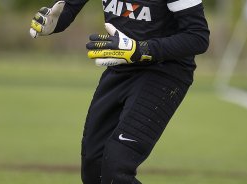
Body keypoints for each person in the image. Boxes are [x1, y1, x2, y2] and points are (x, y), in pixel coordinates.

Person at [30, 0, 210, 183]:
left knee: (116, 167)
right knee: (94, 168)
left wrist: (140, 49)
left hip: (164, 71)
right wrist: (55, 22)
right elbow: (68, 8)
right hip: (121, 67)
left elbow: (198, 37)